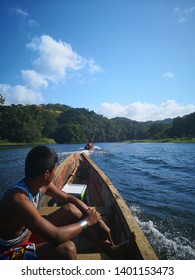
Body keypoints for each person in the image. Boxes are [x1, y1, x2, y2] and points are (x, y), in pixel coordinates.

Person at [0, 146, 135, 260]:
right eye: (55, 169)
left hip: (29, 235)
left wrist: (96, 218)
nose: (55, 173)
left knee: (72, 209)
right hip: (11, 252)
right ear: (46, 174)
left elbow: (70, 199)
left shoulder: (40, 184)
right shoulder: (18, 200)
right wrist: (87, 221)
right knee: (67, 249)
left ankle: (110, 249)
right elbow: (57, 236)